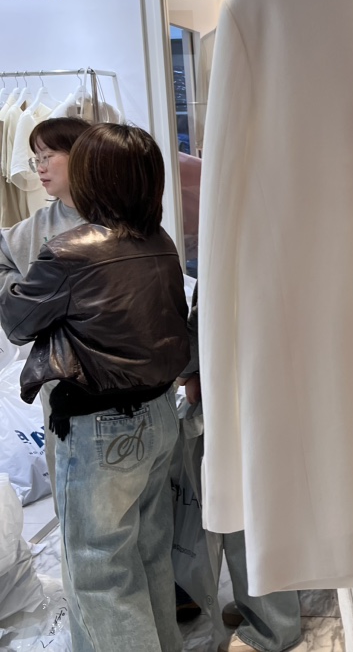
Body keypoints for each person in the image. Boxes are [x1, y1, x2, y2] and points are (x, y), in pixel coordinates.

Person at [0, 123, 191, 652]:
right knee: (148, 555)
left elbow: (16, 322)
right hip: (158, 415)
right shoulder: (158, 242)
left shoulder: (69, 251)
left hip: (100, 429)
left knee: (99, 572)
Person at [179, 286, 303, 652]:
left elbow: (212, 307)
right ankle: (273, 604)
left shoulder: (238, 245)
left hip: (244, 379)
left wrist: (189, 368)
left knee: (247, 501)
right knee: (275, 495)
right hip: (282, 370)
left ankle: (272, 624)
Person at [0, 116, 91, 499]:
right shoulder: (38, 226)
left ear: (82, 155)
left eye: (48, 155)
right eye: (35, 157)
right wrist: (27, 297)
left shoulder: (122, 216)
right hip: (64, 386)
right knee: (73, 500)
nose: (39, 166)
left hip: (133, 390)